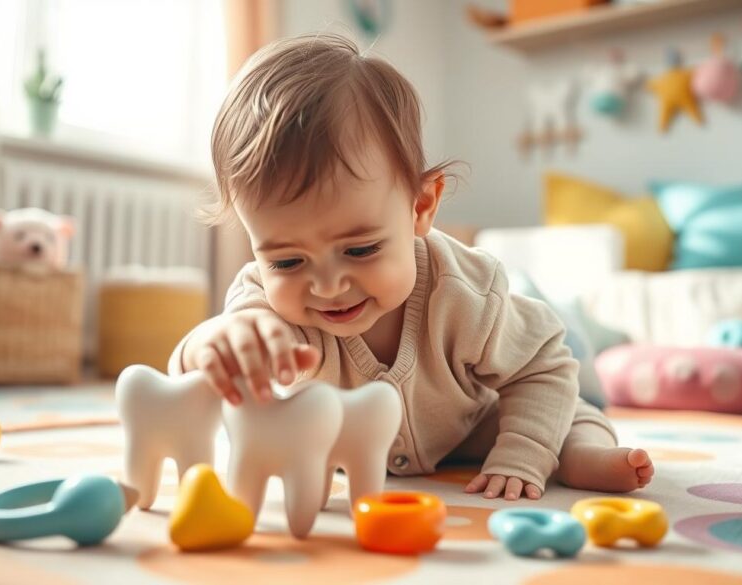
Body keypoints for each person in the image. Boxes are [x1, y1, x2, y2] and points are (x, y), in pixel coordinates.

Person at [169, 33, 654, 500]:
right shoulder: (266, 311)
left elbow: (544, 362)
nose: (328, 285)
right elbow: (197, 371)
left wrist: (522, 454)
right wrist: (211, 345)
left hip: (476, 428)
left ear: (421, 206)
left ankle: (580, 455)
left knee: (566, 415)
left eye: (359, 250)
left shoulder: (465, 293)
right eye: (287, 260)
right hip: (347, 446)